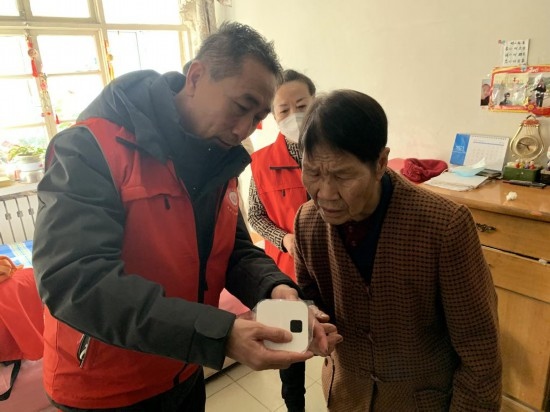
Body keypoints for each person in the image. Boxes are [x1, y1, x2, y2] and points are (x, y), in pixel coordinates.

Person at [32, 22, 341, 412]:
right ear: (195, 76)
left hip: (183, 368)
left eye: (257, 117)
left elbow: (234, 250)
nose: (244, 129)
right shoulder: (90, 147)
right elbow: (73, 280)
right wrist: (218, 335)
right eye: (241, 107)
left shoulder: (220, 158)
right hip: (105, 389)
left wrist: (274, 288)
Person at [294, 89, 502, 411]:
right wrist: (306, 320)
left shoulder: (444, 226)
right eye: (313, 172)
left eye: (342, 175)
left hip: (422, 402)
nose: (325, 192)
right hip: (347, 394)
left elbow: (480, 350)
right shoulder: (307, 221)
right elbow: (308, 298)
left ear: (380, 163)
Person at [248, 69, 316, 411]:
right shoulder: (261, 163)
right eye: (284, 110)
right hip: (286, 276)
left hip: (336, 270)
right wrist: (283, 238)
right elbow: (254, 215)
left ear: (316, 103)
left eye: (301, 105)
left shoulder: (335, 151)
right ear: (273, 115)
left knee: (347, 349)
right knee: (290, 357)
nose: (294, 116)